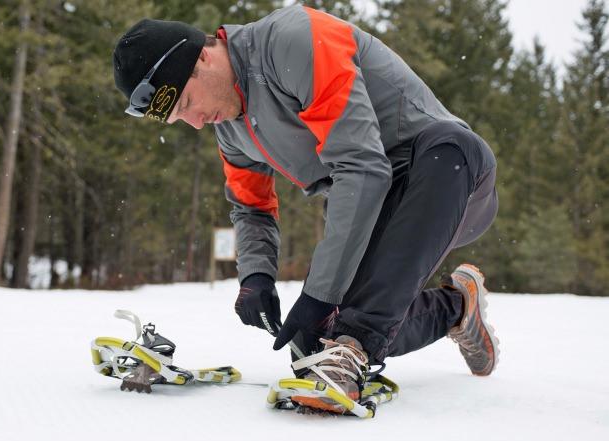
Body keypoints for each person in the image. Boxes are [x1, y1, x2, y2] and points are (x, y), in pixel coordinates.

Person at [112, 4, 500, 414]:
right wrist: (256, 277)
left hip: (450, 179)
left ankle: (355, 347)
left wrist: (319, 293)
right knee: (319, 341)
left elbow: (362, 166)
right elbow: (251, 207)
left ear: (202, 57)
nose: (193, 122)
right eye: (178, 118)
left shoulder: (293, 40)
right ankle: (456, 308)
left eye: (186, 102)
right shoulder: (229, 130)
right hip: (374, 210)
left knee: (350, 327)